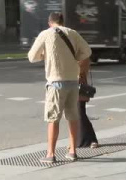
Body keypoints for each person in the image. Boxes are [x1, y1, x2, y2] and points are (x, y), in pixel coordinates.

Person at [28, 12, 92, 163]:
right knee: (72, 117)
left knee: (53, 119)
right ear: (63, 22)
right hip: (73, 82)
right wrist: (73, 58)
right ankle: (72, 151)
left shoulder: (46, 34)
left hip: (56, 82)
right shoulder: (73, 33)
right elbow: (87, 52)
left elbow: (32, 57)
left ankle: (50, 154)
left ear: (50, 23)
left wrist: (45, 55)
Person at [77, 58, 98, 148]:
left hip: (77, 86)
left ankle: (89, 140)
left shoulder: (82, 55)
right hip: (75, 85)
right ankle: (85, 140)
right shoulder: (82, 53)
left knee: (79, 114)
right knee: (79, 114)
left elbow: (80, 69)